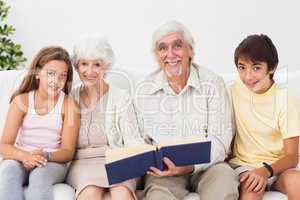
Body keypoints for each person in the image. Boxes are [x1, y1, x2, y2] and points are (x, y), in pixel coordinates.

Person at [134, 20, 239, 200]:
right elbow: (141, 140)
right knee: (158, 196)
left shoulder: (213, 83)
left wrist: (190, 165)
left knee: (224, 186)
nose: (170, 54)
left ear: (190, 51)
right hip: (164, 171)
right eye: (162, 48)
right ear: (156, 55)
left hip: (210, 165)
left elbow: (221, 140)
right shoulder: (144, 89)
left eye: (177, 45)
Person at [66, 35, 144, 200]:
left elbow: (132, 139)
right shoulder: (69, 98)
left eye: (97, 65)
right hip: (82, 163)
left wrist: (143, 158)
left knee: (121, 193)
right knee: (90, 193)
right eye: (84, 64)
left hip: (117, 159)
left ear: (106, 67)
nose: (90, 71)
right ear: (76, 66)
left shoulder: (121, 97)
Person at [0, 46, 80, 200]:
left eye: (62, 76)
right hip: (21, 158)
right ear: (37, 73)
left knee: (40, 174)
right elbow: (4, 145)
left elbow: (68, 151)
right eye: (50, 74)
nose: (56, 81)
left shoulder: (69, 105)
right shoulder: (21, 101)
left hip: (52, 163)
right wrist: (25, 156)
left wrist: (45, 155)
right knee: (9, 169)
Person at [229, 34, 300, 200]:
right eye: (242, 67)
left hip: (276, 168)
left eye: (256, 68)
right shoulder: (232, 92)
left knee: (296, 182)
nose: (248, 76)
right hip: (244, 166)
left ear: (272, 68)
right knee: (251, 190)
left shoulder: (286, 100)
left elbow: (292, 156)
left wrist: (265, 171)